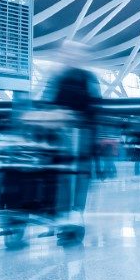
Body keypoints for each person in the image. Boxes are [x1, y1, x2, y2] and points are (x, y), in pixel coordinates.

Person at [43, 42, 102, 221]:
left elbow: (95, 106)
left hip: (80, 136)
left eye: (74, 53)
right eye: (67, 53)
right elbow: (48, 103)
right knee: (62, 173)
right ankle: (63, 211)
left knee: (78, 173)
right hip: (63, 134)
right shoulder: (58, 77)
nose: (70, 56)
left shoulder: (86, 77)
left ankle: (76, 211)